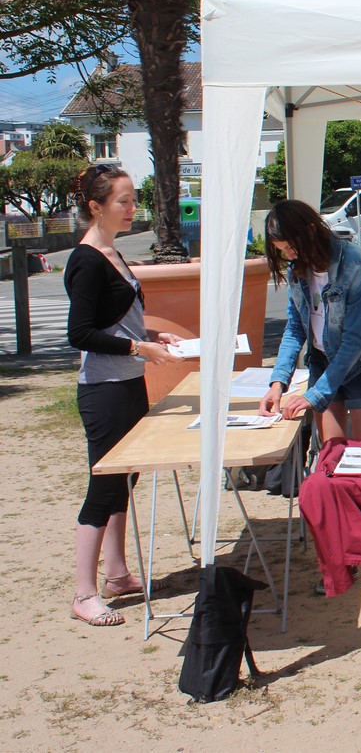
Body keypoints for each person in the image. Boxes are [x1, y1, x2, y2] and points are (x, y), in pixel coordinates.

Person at [65, 164, 183, 627]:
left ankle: (116, 573)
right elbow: (81, 333)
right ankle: (84, 592)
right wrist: (139, 346)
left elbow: (116, 318)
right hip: (104, 390)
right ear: (96, 207)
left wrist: (150, 334)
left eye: (135, 200)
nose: (133, 208)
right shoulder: (86, 259)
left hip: (128, 382)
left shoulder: (112, 253)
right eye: (124, 201)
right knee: (104, 484)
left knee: (124, 479)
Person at [258, 199, 361, 443]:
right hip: (321, 361)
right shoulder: (297, 268)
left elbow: (354, 341)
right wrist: (278, 384)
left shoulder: (353, 264)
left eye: (291, 248)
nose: (289, 256)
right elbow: (295, 327)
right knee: (332, 453)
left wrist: (315, 394)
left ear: (309, 230)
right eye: (282, 250)